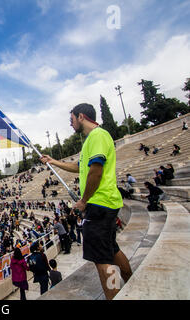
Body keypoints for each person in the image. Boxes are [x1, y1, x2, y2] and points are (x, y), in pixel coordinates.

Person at [41, 103, 132, 300]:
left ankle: (113, 296)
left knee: (102, 260)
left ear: (81, 116)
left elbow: (96, 170)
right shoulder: (91, 140)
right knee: (111, 249)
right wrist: (52, 161)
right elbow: (77, 167)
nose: (70, 123)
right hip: (105, 204)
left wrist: (84, 200)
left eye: (71, 119)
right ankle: (130, 280)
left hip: (99, 204)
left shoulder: (98, 136)